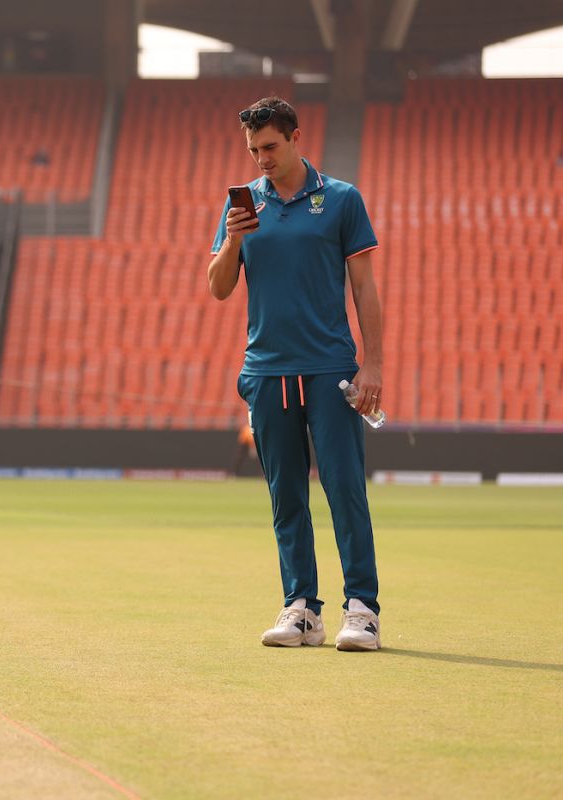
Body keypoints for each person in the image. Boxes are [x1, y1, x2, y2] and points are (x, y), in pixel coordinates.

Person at [207, 97, 385, 652]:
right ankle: (302, 609)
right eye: (253, 150)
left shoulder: (340, 200)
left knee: (343, 490)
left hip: (331, 368)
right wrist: (234, 238)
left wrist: (372, 364)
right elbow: (218, 286)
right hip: (265, 371)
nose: (261, 158)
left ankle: (363, 610)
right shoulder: (243, 205)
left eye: (270, 147)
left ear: (296, 137)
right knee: (286, 496)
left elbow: (364, 288)